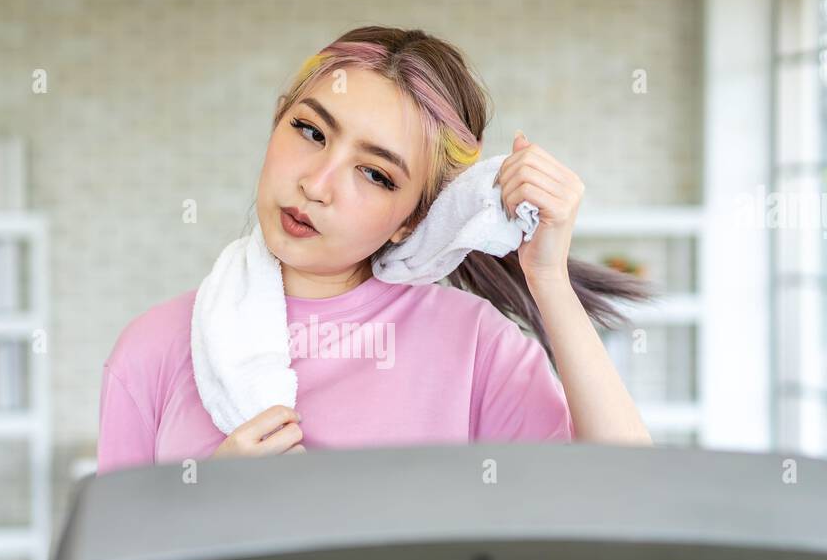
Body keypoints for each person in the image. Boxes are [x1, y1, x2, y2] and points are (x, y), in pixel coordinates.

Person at [99, 25, 656, 473]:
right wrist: (207, 512)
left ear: (411, 217)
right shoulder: (154, 349)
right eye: (311, 132)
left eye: (374, 173)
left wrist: (549, 277)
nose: (317, 185)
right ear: (277, 121)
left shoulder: (475, 348)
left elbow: (629, 502)